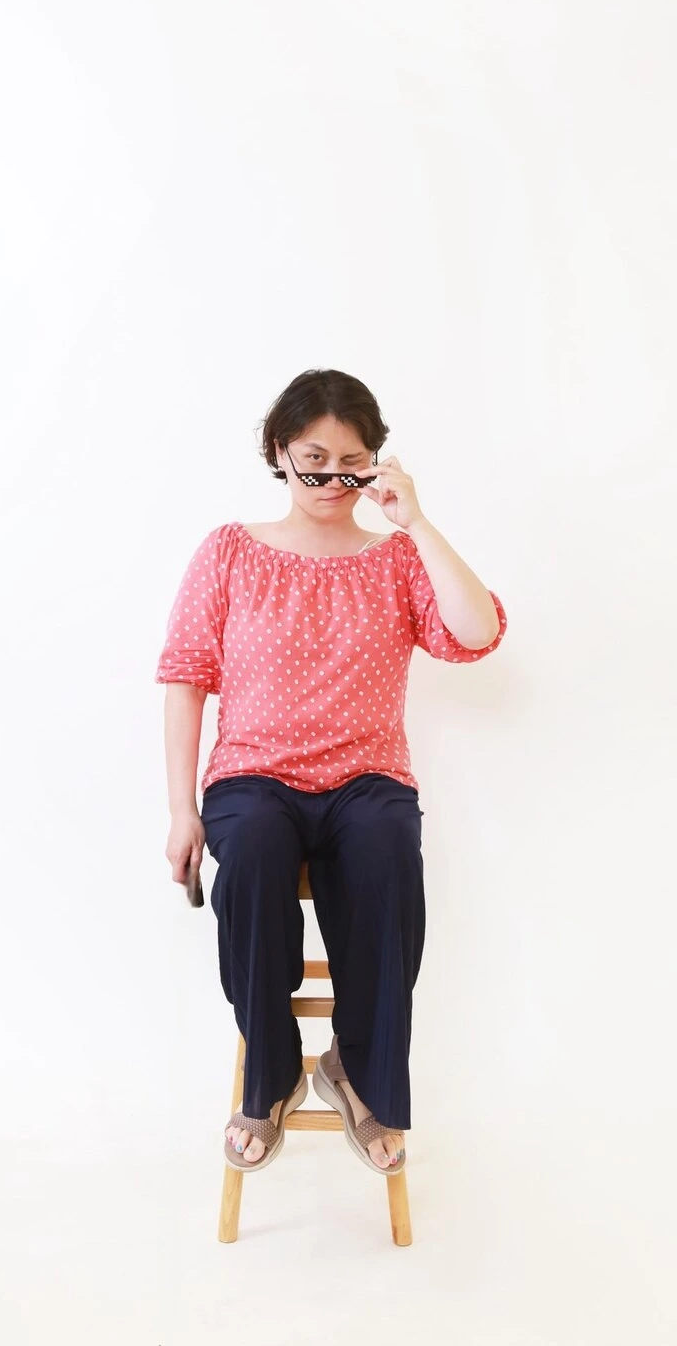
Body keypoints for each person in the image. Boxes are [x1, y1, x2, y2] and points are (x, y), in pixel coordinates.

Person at [155, 368, 507, 1176]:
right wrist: (181, 809)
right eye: (313, 460)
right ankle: (272, 1072)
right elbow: (185, 678)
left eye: (350, 463)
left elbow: (477, 630)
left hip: (366, 779)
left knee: (389, 849)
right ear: (280, 452)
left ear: (374, 463)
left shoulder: (396, 560)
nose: (329, 480)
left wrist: (417, 522)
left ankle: (359, 1070)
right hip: (254, 777)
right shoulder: (230, 551)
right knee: (252, 855)